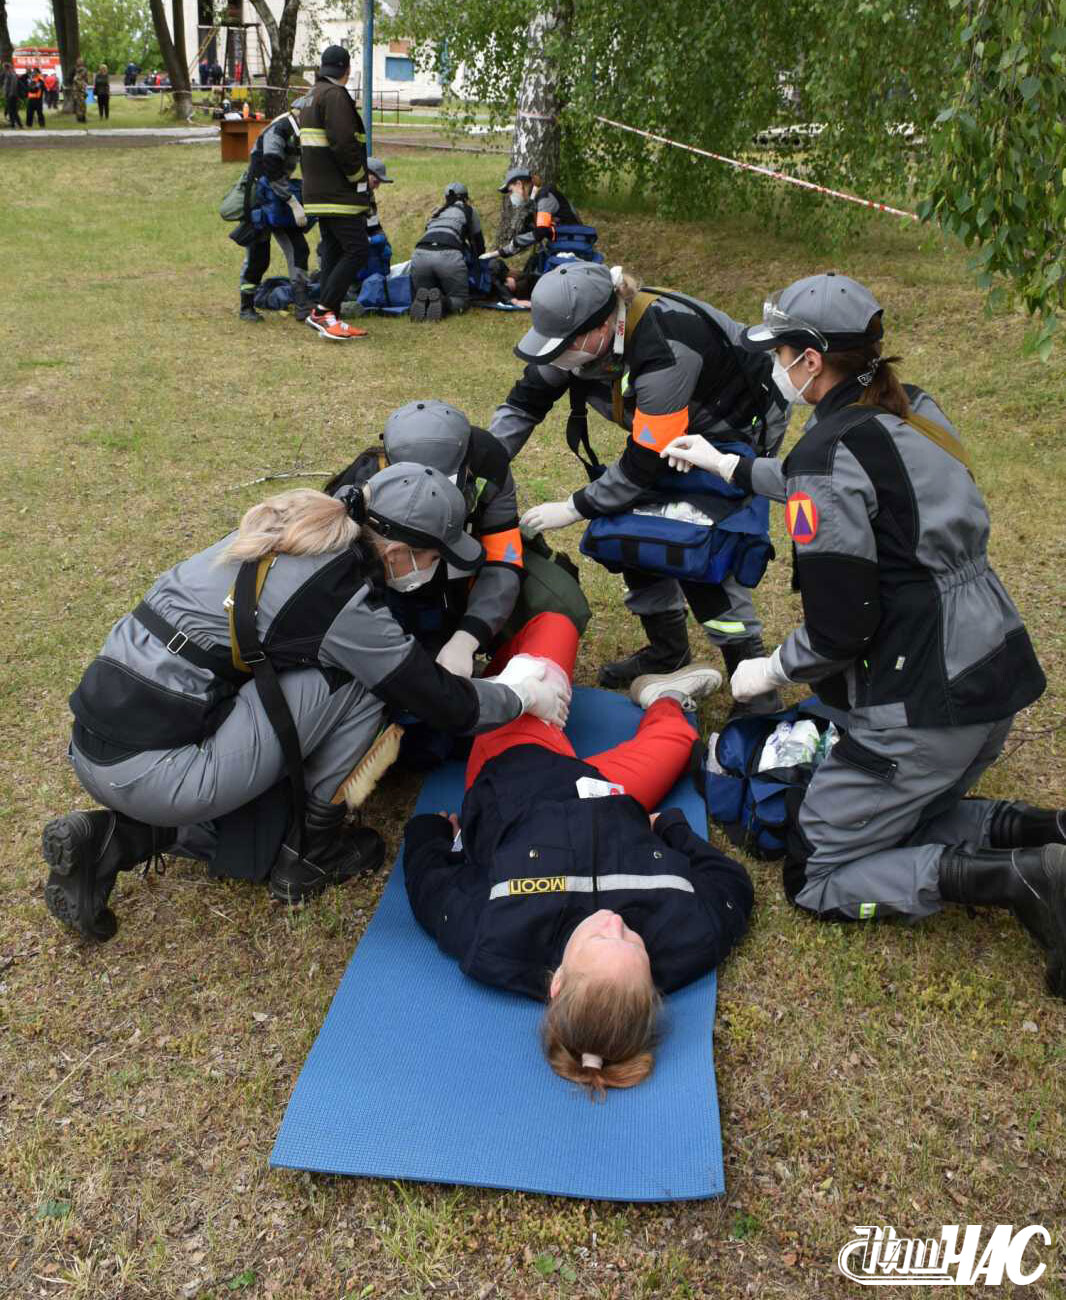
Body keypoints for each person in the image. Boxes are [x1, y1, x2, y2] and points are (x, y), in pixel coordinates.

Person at [664, 271, 1066, 997]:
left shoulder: (829, 455)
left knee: (816, 873)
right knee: (908, 810)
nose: (775, 365)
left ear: (810, 361)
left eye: (781, 351)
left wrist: (771, 670)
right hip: (992, 677)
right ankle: (1048, 835)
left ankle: (1022, 881)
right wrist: (730, 464)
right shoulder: (914, 411)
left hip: (922, 705)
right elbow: (857, 480)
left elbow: (841, 628)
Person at [41, 464, 570, 943]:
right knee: (364, 684)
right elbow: (440, 702)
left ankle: (114, 838)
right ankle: (309, 853)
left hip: (97, 741)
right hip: (155, 770)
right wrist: (522, 694)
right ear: (397, 553)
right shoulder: (336, 600)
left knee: (311, 682)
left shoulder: (295, 527)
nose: (435, 569)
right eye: (435, 558)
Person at [403, 610, 751, 1094]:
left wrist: (429, 833)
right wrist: (672, 828)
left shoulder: (493, 936)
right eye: (634, 943)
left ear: (558, 982)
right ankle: (663, 697)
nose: (616, 924)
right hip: (608, 791)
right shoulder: (691, 936)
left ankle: (489, 684)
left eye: (603, 942)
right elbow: (733, 885)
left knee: (554, 626)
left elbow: (430, 890)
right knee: (678, 739)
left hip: (520, 764)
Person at [489, 261, 790, 711]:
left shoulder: (665, 351)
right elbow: (524, 405)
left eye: (566, 345)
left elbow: (641, 465)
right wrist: (481, 466)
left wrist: (574, 507)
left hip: (732, 428)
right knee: (630, 532)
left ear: (607, 323)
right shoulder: (576, 340)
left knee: (702, 546)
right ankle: (668, 650)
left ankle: (753, 680)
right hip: (665, 427)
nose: (559, 356)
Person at [325, 400, 525, 676]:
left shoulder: (490, 466)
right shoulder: (364, 487)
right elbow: (342, 583)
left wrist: (467, 637)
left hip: (462, 571)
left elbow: (503, 559)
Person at [300, 45, 372, 341]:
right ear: (347, 69)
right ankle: (323, 311)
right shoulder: (336, 96)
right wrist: (359, 178)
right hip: (339, 193)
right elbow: (344, 143)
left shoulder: (311, 96)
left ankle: (331, 316)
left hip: (317, 191)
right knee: (358, 249)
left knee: (332, 250)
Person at [236, 94, 314, 323]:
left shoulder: (301, 133)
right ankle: (246, 306)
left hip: (279, 197)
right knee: (259, 256)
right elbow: (271, 169)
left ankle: (302, 303)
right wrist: (292, 202)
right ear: (300, 114)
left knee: (299, 248)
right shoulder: (279, 130)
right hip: (260, 198)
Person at [487, 166, 582, 291]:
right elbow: (529, 234)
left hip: (572, 246)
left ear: (519, 184)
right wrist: (503, 251)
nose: (510, 196)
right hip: (562, 244)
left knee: (529, 282)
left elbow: (540, 232)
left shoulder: (545, 197)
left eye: (510, 191)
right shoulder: (537, 200)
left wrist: (510, 246)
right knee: (531, 266)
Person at [409, 181, 486, 322]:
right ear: (465, 197)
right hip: (448, 255)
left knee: (426, 292)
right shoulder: (469, 210)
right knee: (461, 301)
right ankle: (443, 302)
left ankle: (424, 302)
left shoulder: (436, 211)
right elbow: (478, 243)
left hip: (420, 254)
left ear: (446, 198)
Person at [2, 63, 22, 129]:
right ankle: (16, 124)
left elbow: (13, 85)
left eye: (4, 68)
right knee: (12, 110)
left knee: (12, 110)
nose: (3, 69)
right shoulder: (9, 74)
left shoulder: (11, 75)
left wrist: (10, 94)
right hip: (10, 95)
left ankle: (15, 125)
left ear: (6, 68)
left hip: (12, 95)